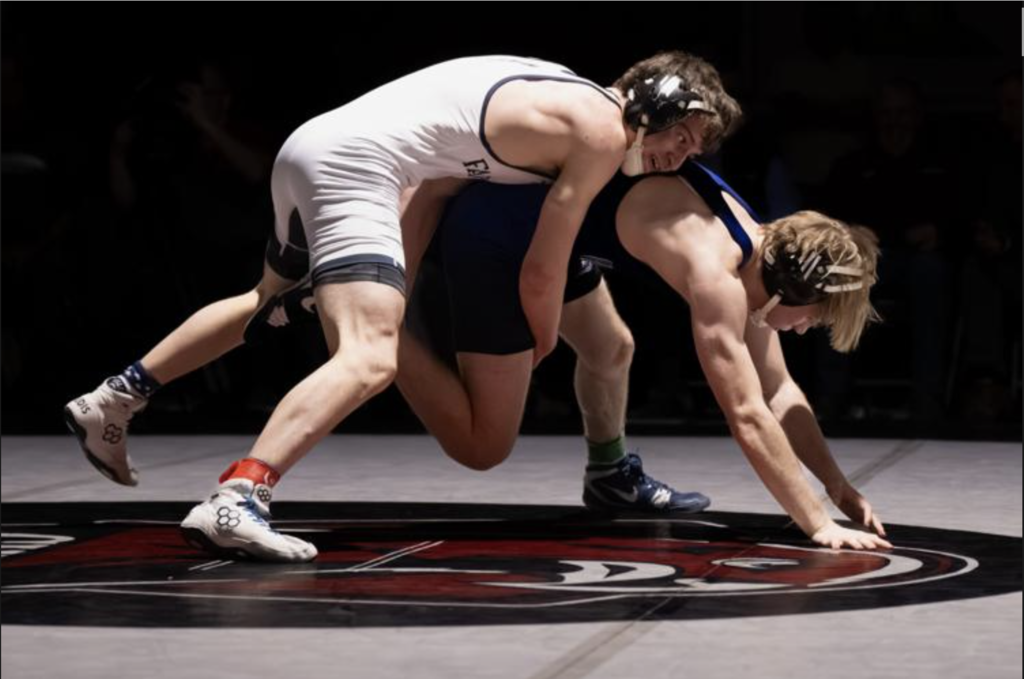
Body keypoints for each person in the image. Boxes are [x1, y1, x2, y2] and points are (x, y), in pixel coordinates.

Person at [64, 52, 741, 562]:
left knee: (265, 299)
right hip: (358, 166)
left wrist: (398, 280)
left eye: (695, 149)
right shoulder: (598, 131)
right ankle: (238, 496)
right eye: (684, 133)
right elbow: (544, 265)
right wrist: (541, 339)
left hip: (312, 148)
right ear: (655, 100)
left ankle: (117, 397)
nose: (682, 155)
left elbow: (438, 181)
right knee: (368, 357)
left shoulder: (557, 89)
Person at [395, 160, 891, 551]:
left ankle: (609, 476)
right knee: (482, 447)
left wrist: (838, 486)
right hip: (500, 236)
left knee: (611, 349)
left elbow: (779, 390)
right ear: (790, 292)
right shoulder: (715, 272)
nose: (805, 329)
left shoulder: (758, 243)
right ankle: (379, 331)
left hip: (557, 234)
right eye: (814, 317)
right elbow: (747, 413)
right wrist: (818, 522)